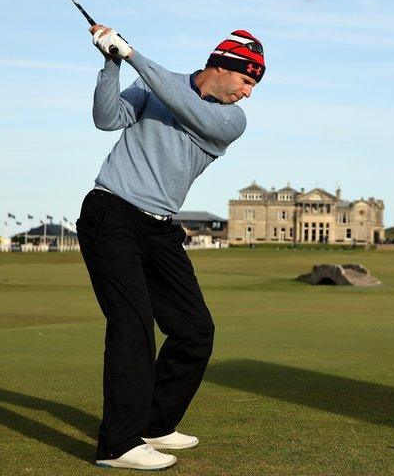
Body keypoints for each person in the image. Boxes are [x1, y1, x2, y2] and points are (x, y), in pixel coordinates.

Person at [76, 25, 264, 470]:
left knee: (195, 330)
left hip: (160, 229)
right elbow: (107, 119)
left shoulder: (231, 121)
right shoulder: (154, 83)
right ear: (223, 67)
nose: (248, 93)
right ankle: (118, 445)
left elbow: (184, 105)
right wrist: (112, 62)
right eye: (246, 80)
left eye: (254, 84)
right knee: (133, 326)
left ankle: (155, 424)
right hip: (112, 214)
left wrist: (134, 53)